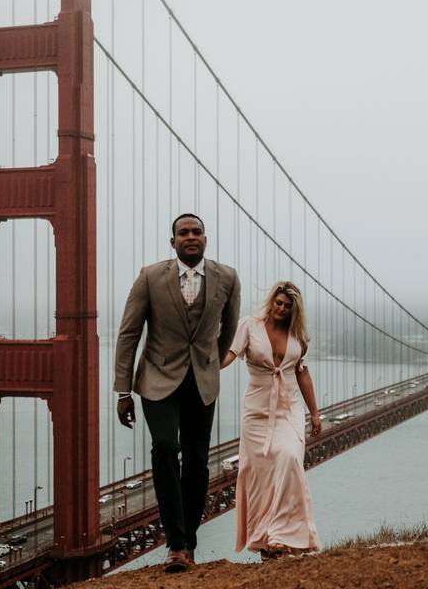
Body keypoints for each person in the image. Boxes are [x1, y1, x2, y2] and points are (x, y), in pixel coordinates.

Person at [113, 213, 241, 572]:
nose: (190, 237)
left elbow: (228, 329)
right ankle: (176, 544)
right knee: (166, 447)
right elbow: (128, 334)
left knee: (198, 463)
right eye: (183, 232)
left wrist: (209, 362)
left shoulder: (227, 277)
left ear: (206, 238)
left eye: (196, 232)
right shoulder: (150, 277)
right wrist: (123, 390)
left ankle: (189, 544)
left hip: (202, 381)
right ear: (172, 242)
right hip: (157, 379)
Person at [222, 281, 322, 559]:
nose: (281, 308)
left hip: (288, 409)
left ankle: (283, 536)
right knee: (260, 477)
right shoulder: (249, 326)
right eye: (278, 303)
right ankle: (267, 544)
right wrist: (208, 362)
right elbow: (228, 355)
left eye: (287, 306)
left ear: (294, 310)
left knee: (289, 458)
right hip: (256, 412)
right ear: (271, 301)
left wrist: (314, 413)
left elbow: (301, 373)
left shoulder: (297, 337)